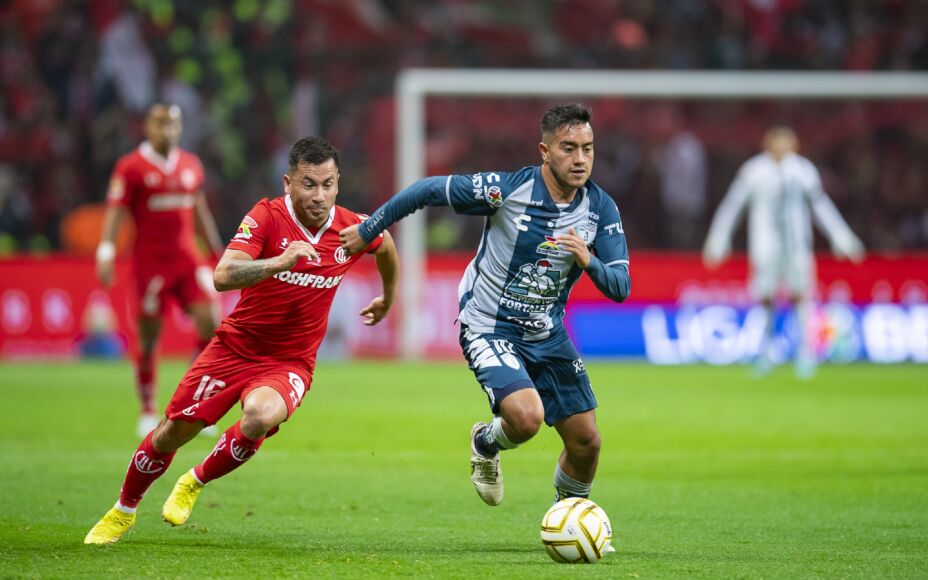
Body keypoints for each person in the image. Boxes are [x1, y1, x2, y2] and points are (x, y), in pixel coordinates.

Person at [84, 137, 398, 544]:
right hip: (234, 349)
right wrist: (279, 262)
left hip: (290, 361)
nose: (319, 196)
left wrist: (388, 297)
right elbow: (222, 275)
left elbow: (386, 243)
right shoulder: (267, 217)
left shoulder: (350, 228)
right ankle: (123, 511)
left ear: (338, 183)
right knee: (170, 434)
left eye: (328, 184)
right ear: (288, 183)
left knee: (259, 416)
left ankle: (194, 482)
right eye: (308, 184)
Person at [340, 104, 630, 508]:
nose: (580, 159)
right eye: (568, 148)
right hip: (489, 325)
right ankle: (485, 441)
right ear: (545, 152)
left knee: (587, 442)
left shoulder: (600, 209)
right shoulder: (507, 190)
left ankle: (569, 518)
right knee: (526, 419)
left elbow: (620, 286)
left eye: (588, 148)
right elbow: (427, 190)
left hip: (547, 332)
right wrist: (370, 228)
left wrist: (588, 260)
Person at [96, 103, 224, 437]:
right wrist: (106, 251)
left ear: (180, 128)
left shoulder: (190, 165)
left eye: (172, 125)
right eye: (159, 124)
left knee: (211, 323)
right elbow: (115, 211)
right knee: (150, 338)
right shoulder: (131, 167)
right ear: (147, 127)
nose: (166, 131)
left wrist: (217, 251)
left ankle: (194, 404)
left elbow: (199, 211)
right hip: (150, 264)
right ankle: (149, 409)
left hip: (186, 259)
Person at [702, 126, 865, 378]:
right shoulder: (753, 171)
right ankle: (765, 353)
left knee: (802, 296)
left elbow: (821, 206)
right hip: (765, 245)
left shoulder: (802, 170)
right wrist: (719, 236)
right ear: (768, 144)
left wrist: (841, 235)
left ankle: (806, 355)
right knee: (766, 298)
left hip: (798, 245)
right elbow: (733, 205)